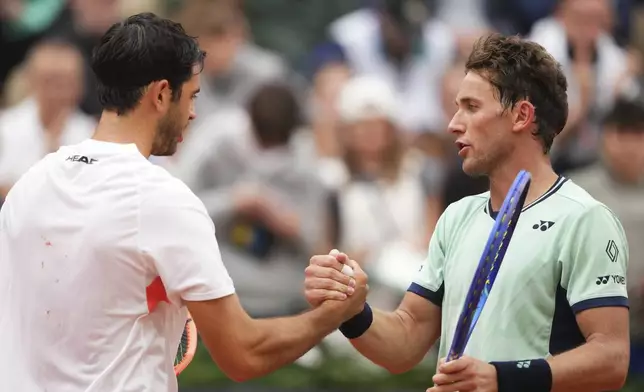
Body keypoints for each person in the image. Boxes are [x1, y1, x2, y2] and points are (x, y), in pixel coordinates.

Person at [0, 13, 367, 392]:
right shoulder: (163, 199)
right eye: (191, 96)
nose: (193, 113)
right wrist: (336, 313)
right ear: (161, 94)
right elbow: (244, 353)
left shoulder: (29, 185)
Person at [304, 33, 630, 392]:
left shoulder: (585, 219)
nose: (453, 123)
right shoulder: (456, 217)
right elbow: (406, 340)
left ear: (521, 115)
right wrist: (353, 310)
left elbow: (612, 357)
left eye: (471, 107)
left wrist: (502, 377)